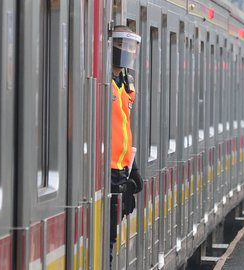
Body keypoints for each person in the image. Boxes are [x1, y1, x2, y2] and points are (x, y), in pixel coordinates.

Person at [109, 25, 144, 268]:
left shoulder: (126, 84)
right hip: (106, 173)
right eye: (121, 45)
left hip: (121, 170)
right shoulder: (102, 81)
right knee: (107, 237)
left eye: (131, 46)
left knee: (113, 234)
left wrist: (133, 170)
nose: (126, 51)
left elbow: (124, 129)